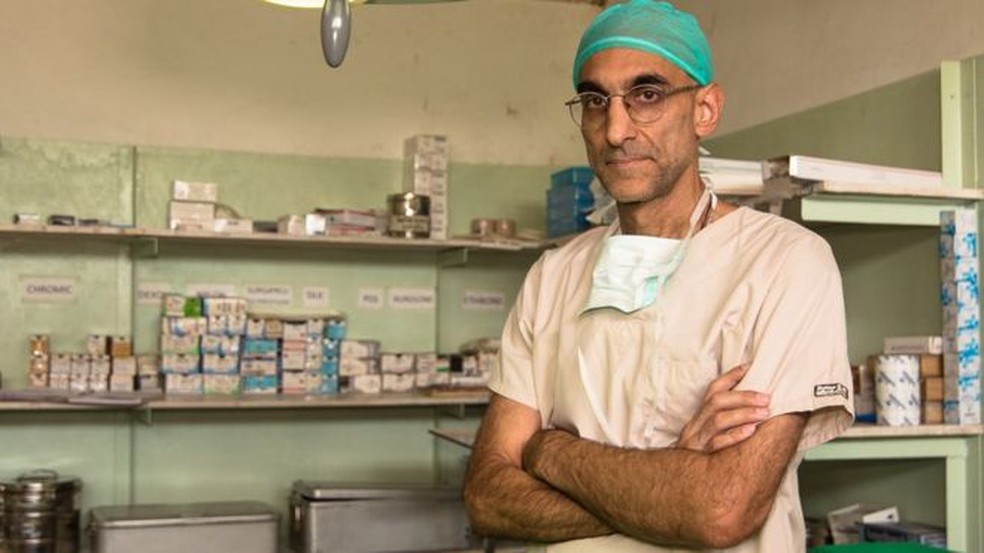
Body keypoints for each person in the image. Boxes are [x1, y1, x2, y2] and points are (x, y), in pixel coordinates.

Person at [462, 1, 855, 551]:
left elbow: (720, 511)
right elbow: (487, 497)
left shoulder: (785, 263)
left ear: (705, 110)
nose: (616, 129)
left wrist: (548, 451)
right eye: (596, 101)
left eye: (646, 95)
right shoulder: (553, 276)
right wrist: (671, 480)